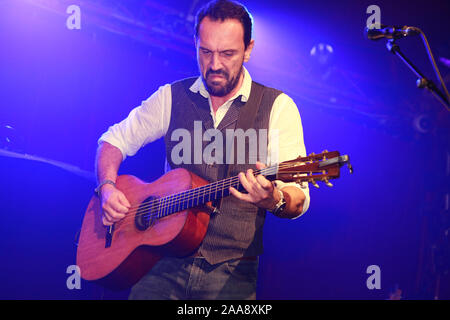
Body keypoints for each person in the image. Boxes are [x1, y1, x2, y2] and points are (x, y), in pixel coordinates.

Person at [95, 0, 310, 300]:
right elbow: (112, 140)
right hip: (160, 263)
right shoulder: (171, 97)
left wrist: (273, 199)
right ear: (195, 43)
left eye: (228, 53)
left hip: (232, 273)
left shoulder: (277, 107)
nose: (215, 65)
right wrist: (107, 186)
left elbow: (298, 198)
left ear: (249, 49)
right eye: (205, 51)